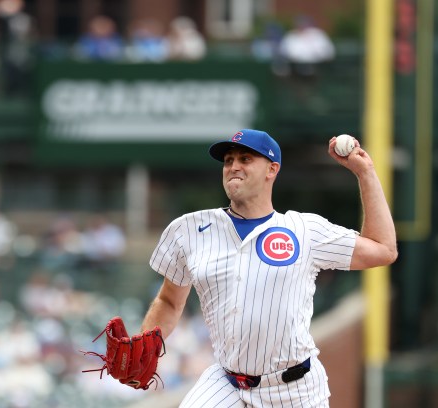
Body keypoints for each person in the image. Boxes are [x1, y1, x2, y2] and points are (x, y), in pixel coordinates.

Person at [137, 129, 397, 407]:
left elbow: (383, 249)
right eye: (228, 160)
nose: (233, 166)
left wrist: (365, 173)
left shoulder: (304, 230)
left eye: (245, 159)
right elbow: (169, 300)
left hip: (295, 389)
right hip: (226, 383)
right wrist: (143, 349)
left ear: (272, 169)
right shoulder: (190, 230)